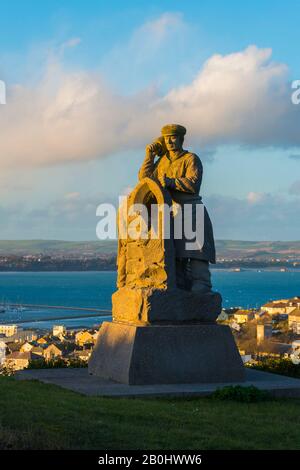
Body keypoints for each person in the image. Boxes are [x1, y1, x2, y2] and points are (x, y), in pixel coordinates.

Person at [138, 123, 216, 294]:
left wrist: (171, 182)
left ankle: (201, 287)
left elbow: (193, 184)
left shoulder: (191, 159)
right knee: (176, 255)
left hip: (192, 210)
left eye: (173, 137)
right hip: (172, 213)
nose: (170, 141)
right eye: (166, 139)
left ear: (181, 139)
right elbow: (144, 180)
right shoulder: (162, 161)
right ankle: (180, 288)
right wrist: (149, 156)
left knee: (196, 254)